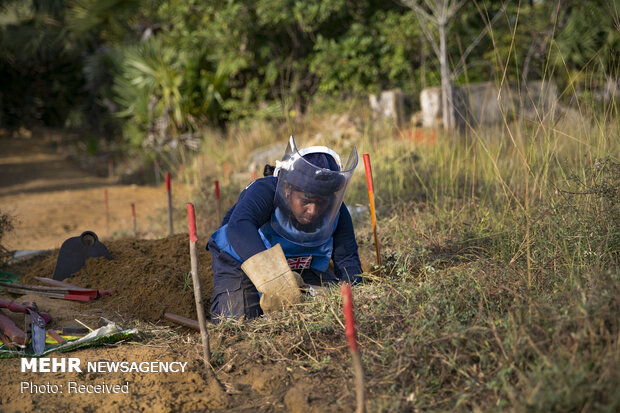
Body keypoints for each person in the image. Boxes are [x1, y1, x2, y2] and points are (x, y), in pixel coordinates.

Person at [207, 135, 363, 322]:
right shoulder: (265, 191)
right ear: (287, 188)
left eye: (321, 203)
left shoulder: (337, 210)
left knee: (325, 310)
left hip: (302, 266)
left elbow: (346, 258)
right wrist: (274, 279)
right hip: (240, 260)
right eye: (305, 201)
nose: (313, 211)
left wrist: (357, 296)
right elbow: (239, 226)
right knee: (239, 323)